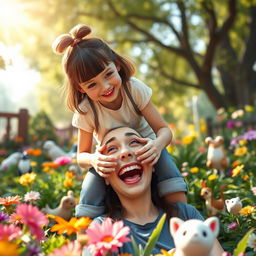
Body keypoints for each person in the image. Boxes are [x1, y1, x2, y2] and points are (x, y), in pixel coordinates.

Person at [52, 24, 187, 219]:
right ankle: (84, 232)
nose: (105, 86)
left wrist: (157, 146)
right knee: (91, 184)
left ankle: (184, 219)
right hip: (112, 156)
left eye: (108, 74)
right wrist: (94, 160)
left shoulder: (133, 89)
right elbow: (81, 155)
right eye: (92, 84)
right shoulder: (86, 110)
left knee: (166, 165)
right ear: (81, 88)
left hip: (144, 149)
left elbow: (164, 130)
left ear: (117, 65)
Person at [83, 126, 224, 255]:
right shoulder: (101, 230)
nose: (125, 152)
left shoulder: (185, 215)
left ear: (153, 162)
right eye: (112, 149)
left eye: (133, 142)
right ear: (105, 176)